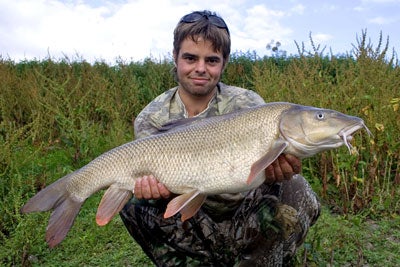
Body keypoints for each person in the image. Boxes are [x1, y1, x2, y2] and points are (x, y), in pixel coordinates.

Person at [120, 10, 320, 266]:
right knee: (136, 205)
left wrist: (279, 170)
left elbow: (271, 168)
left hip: (244, 210)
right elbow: (158, 192)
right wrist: (152, 189)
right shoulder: (152, 118)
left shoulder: (248, 104)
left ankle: (260, 259)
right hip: (193, 219)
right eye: (190, 58)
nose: (200, 69)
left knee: (296, 186)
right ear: (175, 57)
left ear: (224, 62)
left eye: (212, 60)